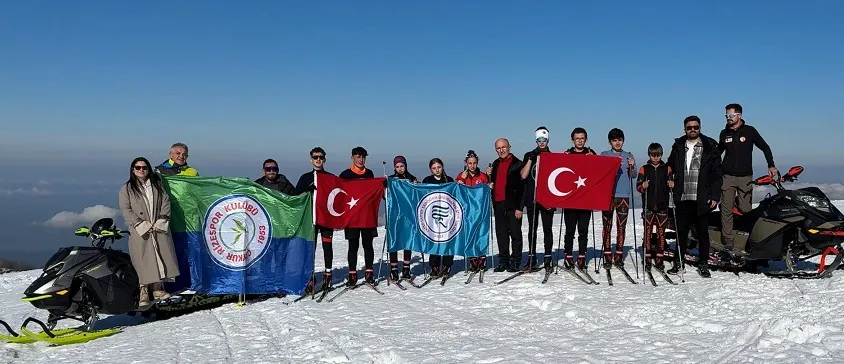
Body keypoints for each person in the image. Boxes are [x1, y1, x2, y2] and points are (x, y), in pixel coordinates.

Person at [118, 157, 181, 307]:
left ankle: (158, 288)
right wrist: (141, 224)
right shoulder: (126, 189)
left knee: (161, 257)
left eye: (144, 167)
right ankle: (143, 291)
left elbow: (165, 202)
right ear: (133, 170)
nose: (141, 170)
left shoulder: (157, 185)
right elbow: (126, 209)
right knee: (142, 260)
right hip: (141, 230)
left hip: (157, 226)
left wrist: (161, 220)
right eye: (138, 167)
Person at [667, 115, 723, 278]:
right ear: (684, 129)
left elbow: (717, 175)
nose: (693, 130)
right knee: (681, 232)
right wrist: (670, 180)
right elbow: (670, 167)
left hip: (702, 198)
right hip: (682, 197)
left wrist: (714, 196)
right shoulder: (678, 145)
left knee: (702, 234)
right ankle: (679, 262)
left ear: (700, 127)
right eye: (689, 127)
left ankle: (704, 263)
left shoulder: (710, 146)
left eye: (696, 127)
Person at [718, 103, 777, 251]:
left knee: (745, 209)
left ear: (739, 115)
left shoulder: (750, 131)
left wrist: (771, 165)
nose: (728, 118)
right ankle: (729, 240)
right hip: (727, 176)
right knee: (726, 210)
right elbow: (718, 151)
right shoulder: (724, 133)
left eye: (731, 115)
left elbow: (765, 147)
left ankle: (734, 203)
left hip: (745, 177)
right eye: (726, 116)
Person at [294, 147, 336, 294]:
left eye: (320, 157)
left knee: (327, 247)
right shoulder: (305, 177)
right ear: (310, 159)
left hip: (326, 218)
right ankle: (310, 277)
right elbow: (295, 197)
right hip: (310, 219)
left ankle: (328, 275)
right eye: (315, 157)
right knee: (310, 248)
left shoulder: (330, 177)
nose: (318, 160)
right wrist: (307, 191)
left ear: (324, 159)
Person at [338, 146, 378, 286]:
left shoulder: (370, 173)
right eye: (358, 157)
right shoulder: (345, 174)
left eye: (363, 157)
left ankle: (369, 273)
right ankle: (352, 274)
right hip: (352, 216)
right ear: (352, 158)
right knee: (353, 246)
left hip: (367, 216)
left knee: (368, 245)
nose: (361, 159)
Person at [519, 126, 555, 272]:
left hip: (547, 199)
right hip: (532, 199)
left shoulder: (552, 156)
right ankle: (532, 258)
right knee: (532, 230)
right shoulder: (529, 155)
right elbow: (523, 175)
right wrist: (530, 159)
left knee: (547, 229)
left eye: (544, 139)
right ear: (536, 140)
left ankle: (547, 258)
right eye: (539, 139)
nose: (542, 142)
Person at [485, 138, 524, 273]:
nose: (501, 150)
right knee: (501, 235)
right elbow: (493, 183)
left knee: (515, 235)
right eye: (498, 148)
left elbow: (522, 188)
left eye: (503, 147)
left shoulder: (518, 164)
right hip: (498, 204)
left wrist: (520, 207)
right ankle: (503, 261)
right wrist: (488, 175)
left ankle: (515, 261)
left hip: (513, 205)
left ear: (509, 147)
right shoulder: (495, 164)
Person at [599, 128, 636, 268]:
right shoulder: (604, 155)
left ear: (623, 141)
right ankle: (607, 254)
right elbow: (598, 172)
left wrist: (632, 165)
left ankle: (619, 255)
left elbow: (633, 176)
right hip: (608, 196)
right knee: (606, 226)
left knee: (621, 227)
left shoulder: (628, 155)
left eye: (619, 140)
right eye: (614, 140)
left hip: (623, 196)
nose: (617, 143)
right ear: (610, 142)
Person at [562, 127, 598, 270]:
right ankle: (568, 255)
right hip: (570, 199)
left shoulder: (591, 153)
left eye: (582, 138)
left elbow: (599, 172)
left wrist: (594, 160)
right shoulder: (568, 153)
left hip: (585, 199)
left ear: (586, 139)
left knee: (583, 230)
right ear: (573, 140)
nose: (580, 141)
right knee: (570, 230)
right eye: (577, 138)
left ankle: (582, 256)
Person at [636, 143, 675, 269]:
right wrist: (643, 186)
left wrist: (672, 185)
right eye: (653, 155)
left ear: (661, 155)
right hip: (648, 206)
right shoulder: (644, 168)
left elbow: (672, 185)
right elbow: (638, 186)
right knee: (647, 233)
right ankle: (647, 258)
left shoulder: (667, 168)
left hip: (663, 206)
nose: (655, 158)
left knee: (661, 234)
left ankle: (659, 258)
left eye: (658, 155)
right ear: (649, 155)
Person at [456, 150, 490, 273]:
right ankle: (472, 258)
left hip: (480, 210)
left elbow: (487, 190)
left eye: (474, 163)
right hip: (467, 212)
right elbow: (456, 190)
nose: (472, 166)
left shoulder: (482, 176)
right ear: (466, 163)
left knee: (480, 234)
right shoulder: (462, 175)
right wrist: (460, 181)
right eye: (470, 163)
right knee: (470, 235)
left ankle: (481, 257)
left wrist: (489, 186)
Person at [422, 158, 457, 278]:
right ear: (431, 170)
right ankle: (434, 265)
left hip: (447, 215)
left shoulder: (449, 180)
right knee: (434, 239)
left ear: (442, 167)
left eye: (439, 167)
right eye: (434, 168)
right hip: (432, 215)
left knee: (447, 239)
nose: (437, 170)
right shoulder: (427, 180)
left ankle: (447, 264)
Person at [387, 155, 418, 282]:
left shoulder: (411, 178)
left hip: (408, 214)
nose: (400, 169)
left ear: (406, 165)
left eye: (402, 166)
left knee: (407, 240)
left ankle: (406, 267)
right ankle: (394, 268)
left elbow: (416, 196)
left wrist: (416, 186)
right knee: (394, 239)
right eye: (397, 166)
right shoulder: (390, 179)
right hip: (394, 214)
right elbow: (385, 197)